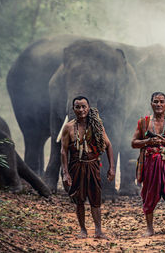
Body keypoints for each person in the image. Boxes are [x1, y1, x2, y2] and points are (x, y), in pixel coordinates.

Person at [60, 96, 115, 239]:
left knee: (95, 198)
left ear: (88, 108)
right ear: (73, 109)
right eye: (77, 107)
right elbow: (63, 151)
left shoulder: (96, 126)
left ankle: (98, 230)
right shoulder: (68, 127)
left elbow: (108, 145)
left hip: (93, 165)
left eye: (84, 106)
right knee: (79, 199)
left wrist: (111, 168)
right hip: (76, 166)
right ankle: (83, 230)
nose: (81, 110)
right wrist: (65, 173)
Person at [131, 92, 165, 236]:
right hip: (150, 162)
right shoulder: (143, 122)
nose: (159, 104)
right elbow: (134, 143)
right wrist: (147, 142)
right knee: (149, 193)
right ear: (151, 104)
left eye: (161, 102)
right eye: (156, 102)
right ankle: (149, 229)